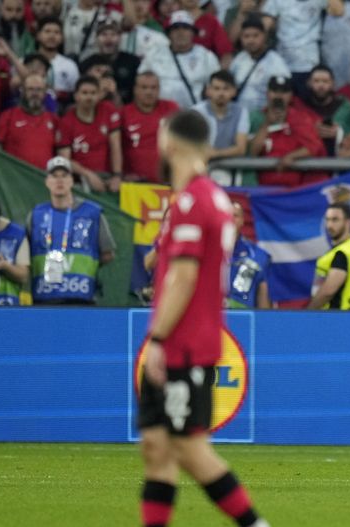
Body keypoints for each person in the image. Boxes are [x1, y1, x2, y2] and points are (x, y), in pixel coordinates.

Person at [138, 109, 269, 527]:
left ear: (169, 143)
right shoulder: (206, 197)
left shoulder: (194, 199)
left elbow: (185, 277)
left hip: (183, 346)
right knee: (157, 450)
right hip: (184, 340)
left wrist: (157, 340)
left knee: (190, 450)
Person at [28, 156, 116, 305]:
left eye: (64, 175)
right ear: (47, 181)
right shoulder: (36, 214)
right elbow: (26, 254)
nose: (59, 180)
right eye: (54, 176)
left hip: (81, 295)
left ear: (72, 180)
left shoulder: (92, 213)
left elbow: (108, 253)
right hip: (44, 296)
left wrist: (84, 265)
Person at [249, 76, 328, 187]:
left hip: (295, 187)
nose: (279, 96)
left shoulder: (300, 117)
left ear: (291, 96)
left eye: (284, 92)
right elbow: (252, 152)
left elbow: (314, 146)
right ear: (267, 93)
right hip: (263, 187)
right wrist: (267, 124)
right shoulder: (256, 117)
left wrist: (291, 156)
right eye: (275, 91)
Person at [261, 0, 344, 100]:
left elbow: (339, 11)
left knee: (307, 108)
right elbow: (265, 24)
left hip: (309, 63)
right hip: (282, 64)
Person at [137, 10, 220, 109]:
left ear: (193, 33)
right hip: (160, 114)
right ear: (169, 34)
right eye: (176, 28)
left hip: (194, 115)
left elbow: (217, 87)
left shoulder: (206, 56)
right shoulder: (154, 54)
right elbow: (140, 82)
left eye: (185, 28)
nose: (180, 33)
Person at [55, 75, 123, 192]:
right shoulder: (66, 122)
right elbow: (65, 159)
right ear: (76, 96)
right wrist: (87, 174)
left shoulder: (108, 109)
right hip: (81, 180)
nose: (89, 97)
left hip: (108, 177)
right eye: (84, 93)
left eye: (93, 93)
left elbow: (116, 146)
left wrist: (117, 175)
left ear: (99, 95)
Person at [307, 202, 350, 310]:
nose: (329, 225)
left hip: (341, 318)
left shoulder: (342, 253)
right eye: (327, 219)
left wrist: (308, 313)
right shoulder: (349, 249)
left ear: (349, 221)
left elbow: (328, 291)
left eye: (335, 219)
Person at [120, 71, 179, 183]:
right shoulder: (124, 113)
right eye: (144, 87)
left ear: (159, 89)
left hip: (167, 181)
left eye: (153, 88)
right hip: (135, 182)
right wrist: (122, 174)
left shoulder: (171, 108)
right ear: (135, 89)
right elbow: (117, 148)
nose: (149, 92)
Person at [0, 73, 58, 169]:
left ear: (45, 93)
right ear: (22, 91)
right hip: (13, 177)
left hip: (43, 178)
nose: (35, 93)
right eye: (30, 89)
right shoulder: (8, 116)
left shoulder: (54, 119)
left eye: (39, 89)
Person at [229, 16, 290, 113]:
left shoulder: (276, 63)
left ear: (264, 36)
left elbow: (283, 96)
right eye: (246, 36)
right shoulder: (239, 59)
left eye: (255, 36)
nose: (251, 40)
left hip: (263, 117)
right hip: (238, 116)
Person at [227, 202, 270, 309]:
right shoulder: (205, 252)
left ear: (242, 220)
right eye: (227, 215)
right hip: (211, 317)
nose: (231, 219)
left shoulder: (258, 255)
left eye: (235, 216)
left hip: (244, 320)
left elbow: (263, 298)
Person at [36, 17, 80, 102]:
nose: (52, 36)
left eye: (56, 32)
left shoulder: (70, 65)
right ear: (38, 35)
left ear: (62, 38)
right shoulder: (24, 61)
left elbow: (75, 93)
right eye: (47, 31)